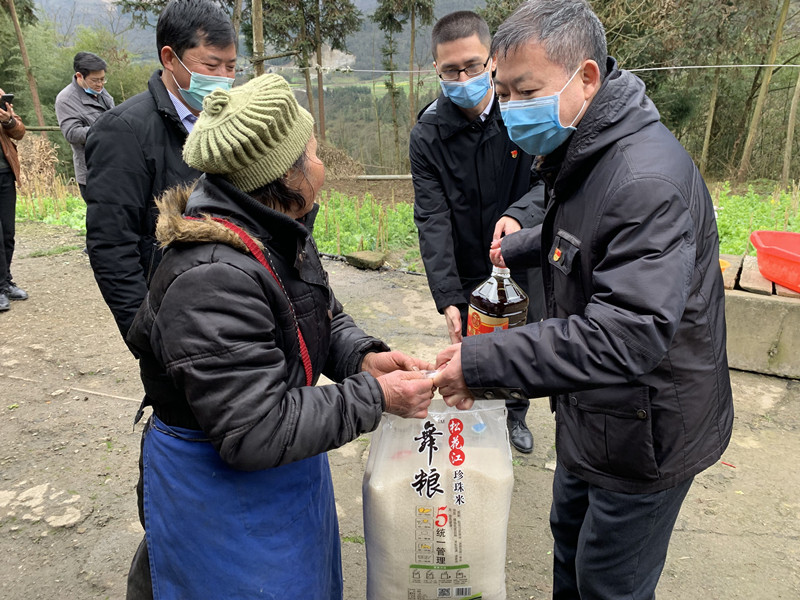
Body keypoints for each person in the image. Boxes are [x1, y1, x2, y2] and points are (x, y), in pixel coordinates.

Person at [433, 1, 734, 598]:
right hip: (592, 411)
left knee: (608, 580)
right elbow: (589, 231)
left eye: (526, 92)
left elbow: (627, 333)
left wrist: (481, 362)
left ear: (587, 77)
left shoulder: (645, 181)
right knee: (569, 545)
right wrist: (523, 245)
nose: (512, 109)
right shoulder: (590, 148)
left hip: (646, 430)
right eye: (504, 92)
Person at [124, 73, 436, 598]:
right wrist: (377, 396)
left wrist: (361, 359)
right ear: (284, 175)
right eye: (312, 152)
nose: (321, 162)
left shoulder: (271, 228)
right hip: (219, 483)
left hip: (286, 454)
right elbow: (255, 430)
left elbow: (317, 311)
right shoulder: (211, 278)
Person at [410, 10, 544, 454]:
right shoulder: (428, 134)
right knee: (475, 345)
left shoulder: (523, 112)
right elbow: (432, 217)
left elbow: (551, 181)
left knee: (524, 340)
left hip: (522, 254)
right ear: (437, 69)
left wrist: (521, 215)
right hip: (469, 261)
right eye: (451, 70)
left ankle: (516, 413)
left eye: (472, 65)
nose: (463, 78)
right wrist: (447, 294)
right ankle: (482, 412)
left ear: (492, 61)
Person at [84, 0, 237, 341]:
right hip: (173, 316)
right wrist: (149, 336)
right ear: (169, 58)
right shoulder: (123, 131)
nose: (224, 79)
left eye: (231, 67)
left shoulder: (229, 121)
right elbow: (112, 247)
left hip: (232, 304)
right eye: (211, 65)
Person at [55, 52, 115, 199]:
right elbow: (72, 133)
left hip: (113, 166)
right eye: (95, 80)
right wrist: (106, 130)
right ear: (79, 76)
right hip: (92, 172)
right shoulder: (66, 99)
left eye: (102, 79)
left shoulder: (100, 91)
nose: (100, 84)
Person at [0, 88, 27, 311]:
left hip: (4, 174)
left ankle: (6, 280)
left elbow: (19, 132)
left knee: (8, 233)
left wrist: (8, 120)